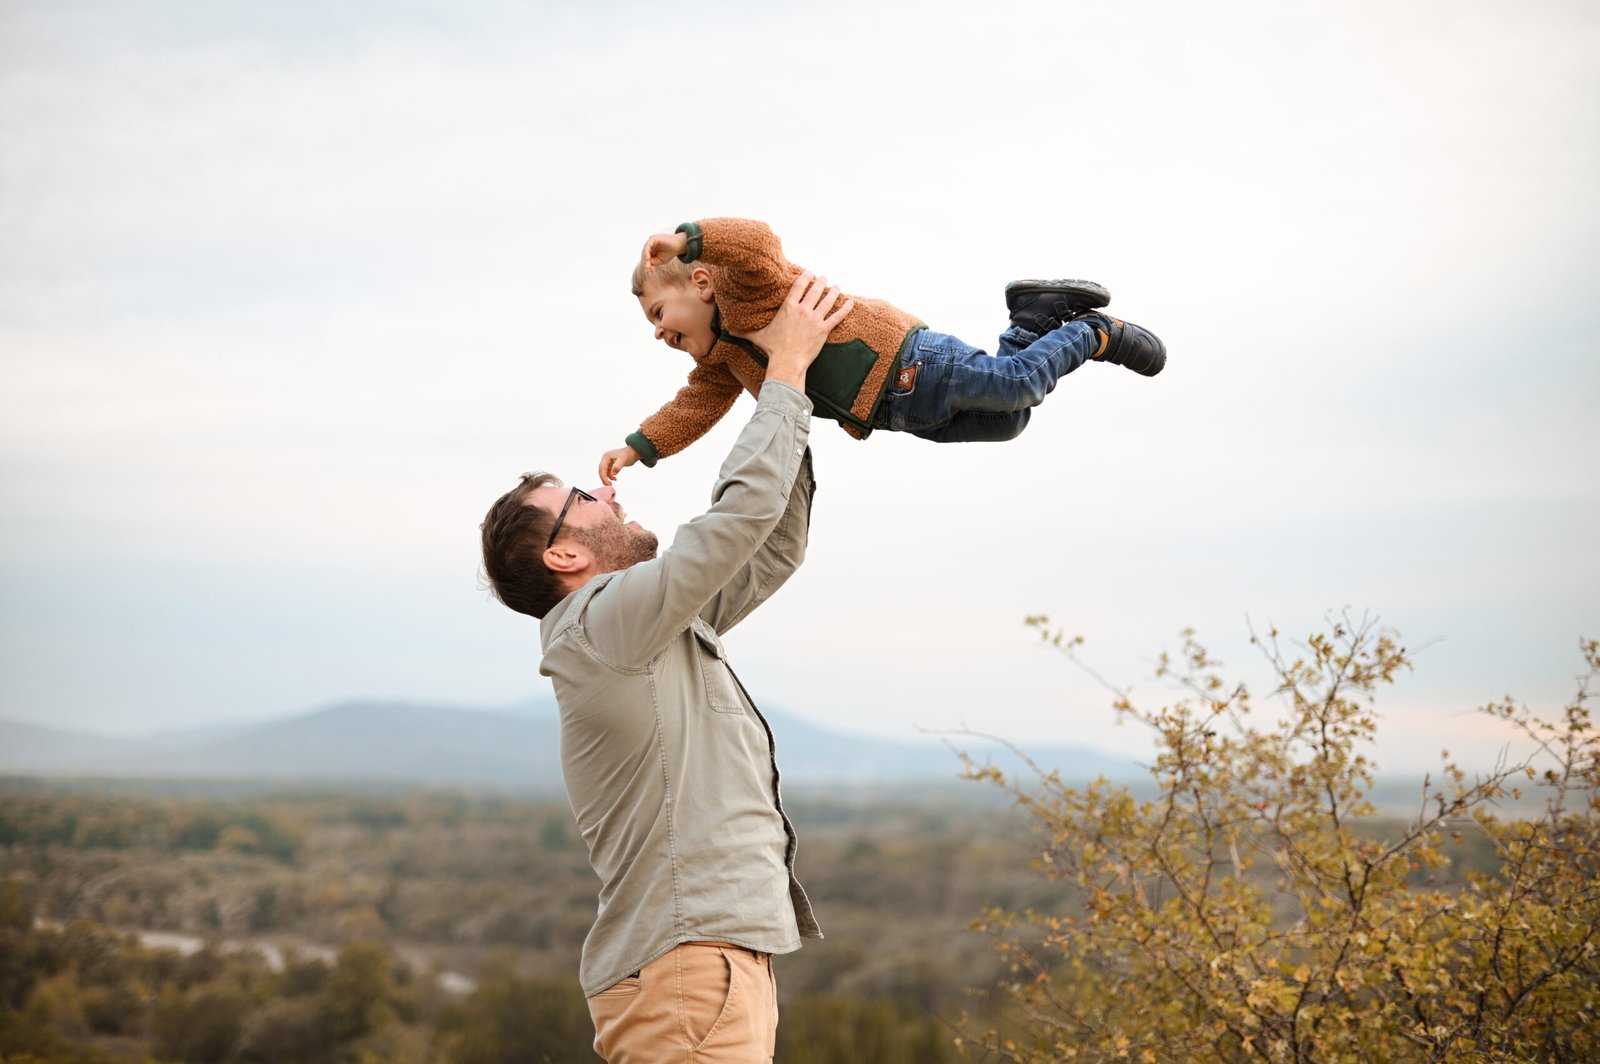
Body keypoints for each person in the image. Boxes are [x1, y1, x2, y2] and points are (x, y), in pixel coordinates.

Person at [479, 272, 852, 1063]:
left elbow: (770, 544)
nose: (608, 493)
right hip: (688, 971)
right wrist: (784, 370)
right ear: (565, 554)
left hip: (702, 967)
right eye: (582, 497)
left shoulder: (644, 632)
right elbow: (733, 522)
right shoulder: (599, 624)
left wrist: (774, 386)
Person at [599, 216, 1167, 484]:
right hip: (891, 410)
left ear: (700, 284)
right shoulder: (721, 362)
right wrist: (638, 448)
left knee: (1016, 385)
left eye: (658, 313)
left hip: (908, 361)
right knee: (1010, 420)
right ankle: (1034, 316)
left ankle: (1095, 334)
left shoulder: (748, 288)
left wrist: (687, 239)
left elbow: (759, 242)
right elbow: (692, 409)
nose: (657, 332)